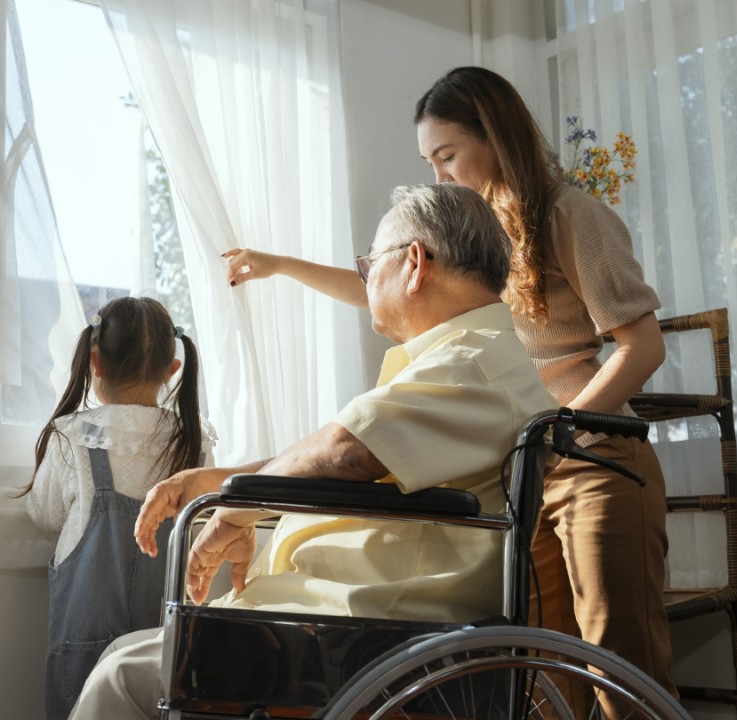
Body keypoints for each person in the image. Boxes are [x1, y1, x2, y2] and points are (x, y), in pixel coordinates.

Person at [221, 66, 676, 710]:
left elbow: (642, 345)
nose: (439, 175)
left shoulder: (571, 215)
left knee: (615, 654)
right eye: (429, 161)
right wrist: (281, 265)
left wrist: (556, 435)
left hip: (593, 458)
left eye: (446, 156)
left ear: (494, 137)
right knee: (543, 662)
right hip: (527, 463)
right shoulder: (478, 242)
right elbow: (382, 283)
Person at [67, 183, 558, 719]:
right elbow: (351, 454)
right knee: (121, 655)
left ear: (415, 263)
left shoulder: (471, 364)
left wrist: (237, 505)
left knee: (118, 680)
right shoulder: (465, 359)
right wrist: (220, 482)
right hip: (348, 614)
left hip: (364, 630)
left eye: (371, 266)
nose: (366, 280)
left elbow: (345, 453)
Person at [20, 296, 217, 720]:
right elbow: (201, 530)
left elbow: (45, 514)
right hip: (160, 655)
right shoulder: (193, 443)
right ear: (173, 370)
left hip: (83, 652)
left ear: (95, 362)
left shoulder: (72, 437)